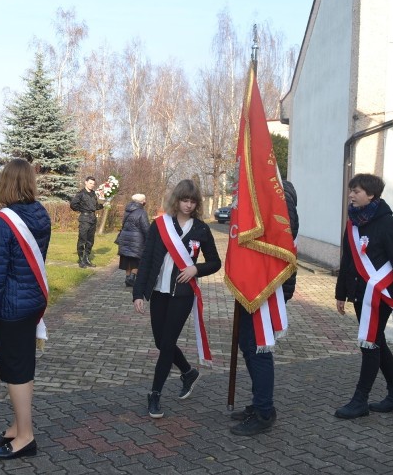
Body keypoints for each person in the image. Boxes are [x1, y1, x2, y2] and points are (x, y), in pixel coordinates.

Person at [334, 173, 393, 419]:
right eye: (351, 190)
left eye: (356, 191)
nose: (351, 195)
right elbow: (347, 260)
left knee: (370, 344)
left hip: (381, 295)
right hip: (358, 293)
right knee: (378, 342)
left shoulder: (388, 224)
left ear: (371, 194)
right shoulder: (352, 222)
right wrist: (341, 293)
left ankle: (360, 400)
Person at [0, 159, 51, 460]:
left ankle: (25, 437)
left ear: (6, 182)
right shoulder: (41, 213)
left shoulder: (1, 221)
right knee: (22, 368)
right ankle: (17, 426)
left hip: (11, 306)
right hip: (32, 302)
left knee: (16, 371)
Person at [132, 179, 221, 419]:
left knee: (167, 344)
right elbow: (147, 260)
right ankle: (188, 372)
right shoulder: (160, 225)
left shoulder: (201, 229)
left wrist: (196, 269)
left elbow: (215, 262)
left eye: (193, 201)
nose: (188, 205)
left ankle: (155, 395)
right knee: (161, 343)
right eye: (185, 200)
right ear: (177, 200)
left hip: (182, 295)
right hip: (158, 293)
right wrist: (138, 293)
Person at [229, 179, 299, 436]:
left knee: (258, 347)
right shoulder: (266, 196)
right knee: (248, 345)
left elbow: (274, 241)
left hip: (267, 286)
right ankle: (259, 403)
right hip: (253, 284)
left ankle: (264, 412)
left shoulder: (281, 199)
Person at [116, 193, 150, 288]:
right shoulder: (142, 212)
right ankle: (132, 277)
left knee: (127, 259)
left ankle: (127, 278)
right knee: (136, 259)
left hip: (125, 237)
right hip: (137, 239)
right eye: (145, 200)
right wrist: (150, 238)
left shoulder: (128, 210)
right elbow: (145, 227)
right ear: (142, 201)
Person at [69, 176, 103, 267]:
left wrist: (103, 205)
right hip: (84, 219)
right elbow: (73, 205)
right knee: (82, 240)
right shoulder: (80, 193)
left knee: (90, 241)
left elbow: (95, 206)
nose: (92, 185)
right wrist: (81, 209)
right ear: (86, 182)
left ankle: (86, 258)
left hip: (93, 219)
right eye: (90, 183)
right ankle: (81, 260)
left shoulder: (94, 194)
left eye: (93, 184)